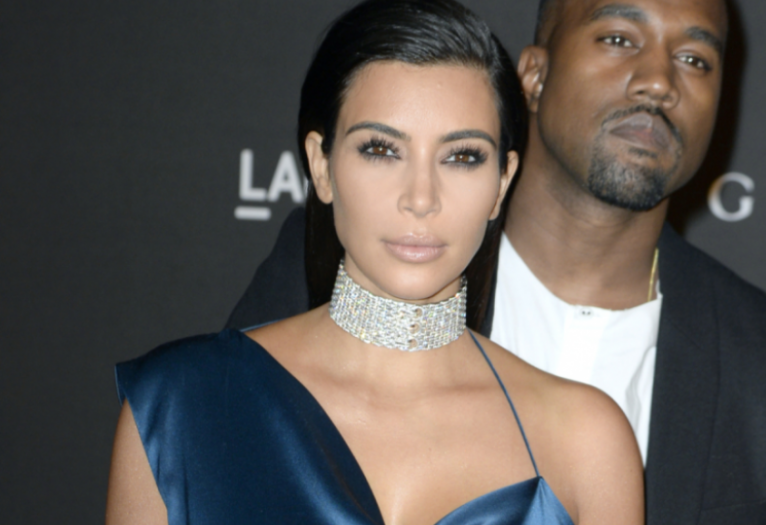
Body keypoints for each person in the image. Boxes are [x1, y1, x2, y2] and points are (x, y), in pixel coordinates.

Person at [227, 0, 766, 523]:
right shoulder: (351, 263)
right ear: (534, 76)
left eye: (695, 58)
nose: (659, 80)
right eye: (618, 39)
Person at [106, 1, 644, 524]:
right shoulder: (178, 405)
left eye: (461, 157)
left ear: (501, 184)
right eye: (381, 150)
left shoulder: (585, 443)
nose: (421, 198)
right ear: (321, 167)